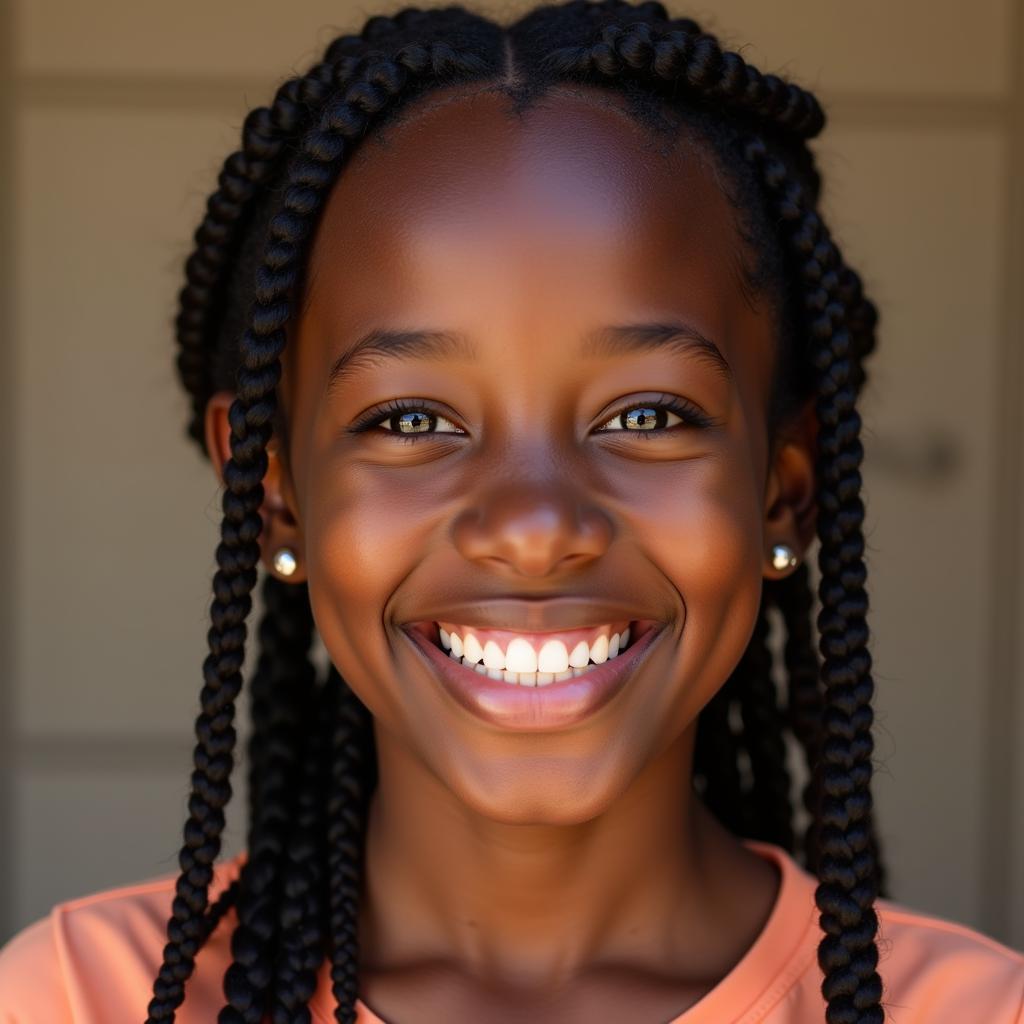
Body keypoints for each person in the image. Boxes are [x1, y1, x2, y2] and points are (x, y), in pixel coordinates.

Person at [1, 2, 1022, 1021]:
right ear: (272, 495)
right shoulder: (76, 997)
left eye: (648, 412)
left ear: (781, 489)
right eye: (409, 418)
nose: (534, 526)